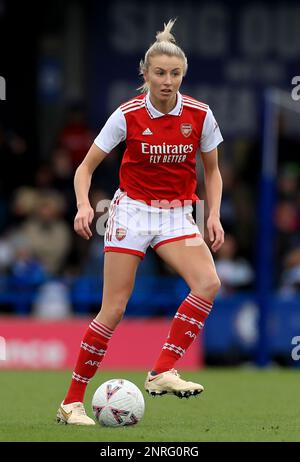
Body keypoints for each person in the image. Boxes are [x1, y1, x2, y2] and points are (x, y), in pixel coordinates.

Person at [57, 19, 224, 425]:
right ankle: (71, 403)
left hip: (176, 213)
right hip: (131, 211)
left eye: (175, 74)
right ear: (145, 75)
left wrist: (214, 214)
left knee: (208, 283)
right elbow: (85, 168)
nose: (167, 81)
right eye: (160, 73)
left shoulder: (200, 115)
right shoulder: (127, 115)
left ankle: (162, 370)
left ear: (182, 75)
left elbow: (213, 172)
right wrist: (83, 205)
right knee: (113, 309)